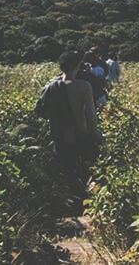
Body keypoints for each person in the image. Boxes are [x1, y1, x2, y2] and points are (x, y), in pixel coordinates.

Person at [35, 51, 102, 204]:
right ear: (78, 66)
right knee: (84, 170)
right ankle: (88, 203)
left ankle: (70, 201)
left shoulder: (52, 86)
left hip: (59, 135)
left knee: (67, 170)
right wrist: (95, 134)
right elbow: (91, 115)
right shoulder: (84, 86)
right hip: (80, 133)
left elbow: (41, 110)